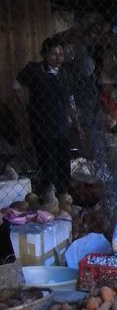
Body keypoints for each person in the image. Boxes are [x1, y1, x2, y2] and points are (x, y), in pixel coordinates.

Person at [14, 37, 74, 195]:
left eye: (61, 54)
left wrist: (74, 119)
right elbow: (16, 84)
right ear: (45, 54)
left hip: (62, 125)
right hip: (43, 126)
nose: (59, 58)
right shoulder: (35, 69)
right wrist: (26, 106)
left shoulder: (65, 73)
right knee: (48, 163)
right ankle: (48, 195)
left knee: (64, 163)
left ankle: (63, 195)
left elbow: (70, 97)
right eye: (54, 54)